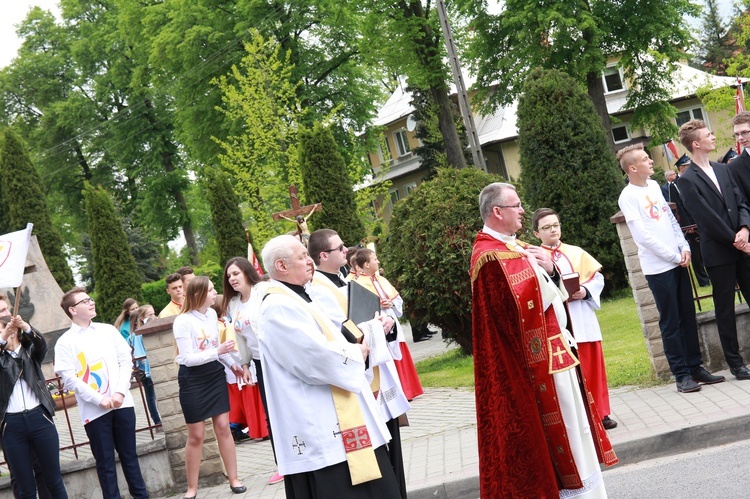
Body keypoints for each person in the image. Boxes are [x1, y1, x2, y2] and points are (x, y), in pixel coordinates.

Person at [471, 182, 617, 497]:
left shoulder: (517, 247)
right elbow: (507, 320)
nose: (523, 210)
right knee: (563, 434)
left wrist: (550, 269)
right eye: (516, 205)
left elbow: (549, 294)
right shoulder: (488, 257)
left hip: (558, 353)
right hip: (536, 366)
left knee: (575, 430)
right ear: (498, 212)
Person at [257, 235, 401, 498]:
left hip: (340, 417)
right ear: (281, 266)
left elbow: (334, 336)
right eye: (302, 256)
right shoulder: (278, 307)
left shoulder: (300, 297)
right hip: (322, 428)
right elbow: (314, 358)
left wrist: (369, 331)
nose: (310, 260)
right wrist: (357, 352)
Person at [308, 229, 410, 498]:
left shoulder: (343, 279)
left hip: (375, 368)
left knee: (393, 444)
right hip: (359, 372)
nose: (346, 250)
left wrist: (385, 325)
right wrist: (376, 326)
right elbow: (341, 330)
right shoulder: (318, 290)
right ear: (323, 255)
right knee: (382, 451)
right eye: (340, 248)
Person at [617, 143, 725, 392]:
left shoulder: (654, 187)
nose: (651, 161)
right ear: (633, 168)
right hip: (659, 268)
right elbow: (642, 237)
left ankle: (695, 367)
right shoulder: (628, 196)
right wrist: (672, 256)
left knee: (687, 315)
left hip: (677, 260)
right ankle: (681, 374)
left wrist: (683, 247)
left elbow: (669, 219)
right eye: (645, 159)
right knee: (671, 321)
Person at [55, 288, 149, 499]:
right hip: (95, 412)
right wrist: (100, 400)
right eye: (85, 301)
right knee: (106, 465)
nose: (91, 302)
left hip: (122, 404)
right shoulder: (65, 342)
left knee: (130, 458)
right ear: (72, 310)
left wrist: (119, 393)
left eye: (90, 299)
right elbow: (70, 378)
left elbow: (126, 360)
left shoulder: (107, 330)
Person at [677, 119, 750, 380]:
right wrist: (735, 239)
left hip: (742, 244)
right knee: (725, 308)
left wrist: (744, 228)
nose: (713, 137)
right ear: (696, 143)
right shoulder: (686, 180)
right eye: (709, 135)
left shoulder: (722, 168)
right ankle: (736, 363)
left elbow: (740, 201)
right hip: (719, 252)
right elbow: (705, 218)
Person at [533, 208, 617, 429]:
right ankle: (580, 417)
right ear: (536, 234)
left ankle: (601, 413)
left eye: (556, 225)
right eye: (546, 227)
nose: (553, 230)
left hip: (582, 317)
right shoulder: (535, 258)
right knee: (571, 375)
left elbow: (597, 279)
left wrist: (585, 291)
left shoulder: (576, 252)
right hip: (559, 324)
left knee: (593, 368)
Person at [173, 277, 246, 498]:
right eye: (211, 290)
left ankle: (234, 479)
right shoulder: (183, 321)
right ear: (198, 295)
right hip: (193, 379)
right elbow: (187, 358)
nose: (215, 293)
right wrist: (219, 352)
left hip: (214, 375)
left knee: (223, 426)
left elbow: (216, 348)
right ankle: (192, 488)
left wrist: (232, 364)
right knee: (196, 435)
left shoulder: (212, 315)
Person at [0, 313, 68, 499]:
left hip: (40, 419)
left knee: (53, 479)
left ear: (14, 332)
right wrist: (2, 337)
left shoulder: (30, 351)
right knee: (25, 486)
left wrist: (26, 327)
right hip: (12, 425)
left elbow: (42, 346)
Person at [351, 249, 424, 401]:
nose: (378, 261)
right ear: (366, 264)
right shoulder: (357, 285)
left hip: (391, 319)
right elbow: (361, 309)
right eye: (375, 259)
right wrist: (378, 306)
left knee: (398, 351)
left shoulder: (380, 279)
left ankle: (408, 390)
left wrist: (390, 303)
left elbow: (397, 300)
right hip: (378, 325)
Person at [672, 154, 711, 287]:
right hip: (689, 225)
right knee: (695, 253)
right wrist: (687, 224)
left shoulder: (691, 179)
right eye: (687, 166)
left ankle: (709, 276)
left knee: (705, 250)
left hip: (699, 221)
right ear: (681, 168)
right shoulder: (675, 184)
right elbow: (679, 206)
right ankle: (703, 280)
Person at [129, 305, 162, 430]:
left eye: (154, 313)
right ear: (142, 318)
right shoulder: (137, 334)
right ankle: (157, 421)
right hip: (145, 370)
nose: (153, 317)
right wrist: (146, 367)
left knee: (157, 395)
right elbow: (140, 355)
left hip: (152, 367)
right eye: (150, 315)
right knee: (151, 396)